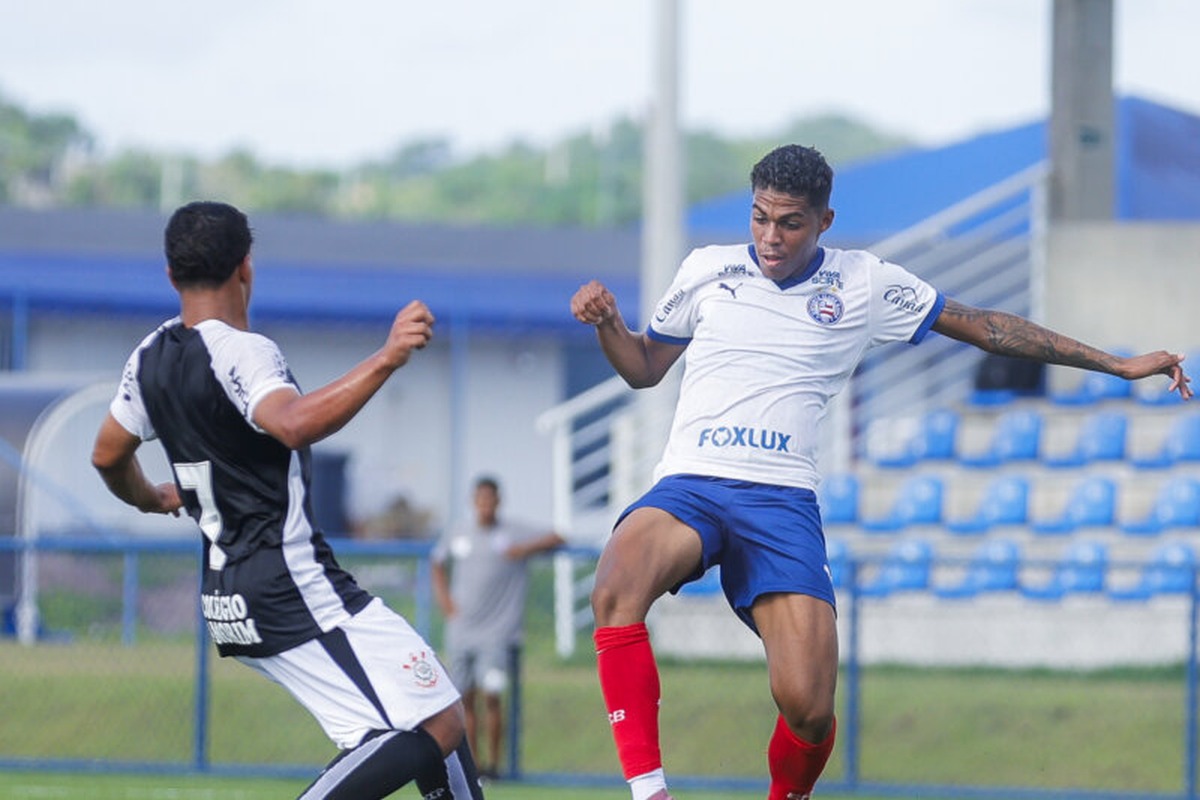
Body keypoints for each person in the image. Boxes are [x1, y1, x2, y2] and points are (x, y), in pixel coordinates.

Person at [570, 144, 1192, 800]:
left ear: (824, 221)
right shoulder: (706, 269)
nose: (770, 237)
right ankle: (650, 791)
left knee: (809, 711)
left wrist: (1115, 364)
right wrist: (610, 324)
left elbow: (986, 327)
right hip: (693, 481)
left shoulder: (863, 283)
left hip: (781, 499)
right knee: (615, 585)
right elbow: (644, 366)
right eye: (759, 218)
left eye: (790, 223)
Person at [91, 201, 485, 800]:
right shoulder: (242, 350)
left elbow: (107, 454)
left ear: (171, 275)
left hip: (232, 593)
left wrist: (150, 498)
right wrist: (386, 357)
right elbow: (293, 422)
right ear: (246, 268)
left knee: (427, 709)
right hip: (290, 583)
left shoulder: (150, 357)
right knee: (438, 721)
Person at [431, 475, 566, 780]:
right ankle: (474, 765)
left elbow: (558, 537)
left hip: (496, 633)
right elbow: (436, 562)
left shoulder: (512, 531)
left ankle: (495, 766)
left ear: (498, 501)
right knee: (463, 700)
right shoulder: (458, 532)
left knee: (492, 695)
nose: (485, 505)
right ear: (473, 501)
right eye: (480, 499)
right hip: (462, 631)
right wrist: (446, 602)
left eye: (490, 500)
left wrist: (524, 550)